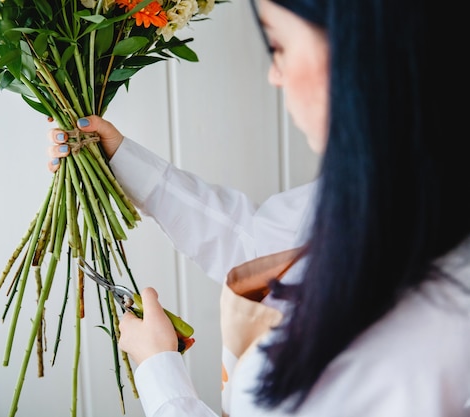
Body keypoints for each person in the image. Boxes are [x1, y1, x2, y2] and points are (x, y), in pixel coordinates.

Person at [47, 0, 470, 415]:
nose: (274, 75)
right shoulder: (363, 198)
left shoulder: (404, 348)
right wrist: (121, 158)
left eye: (278, 47)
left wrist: (162, 379)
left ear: (362, 56)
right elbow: (251, 242)